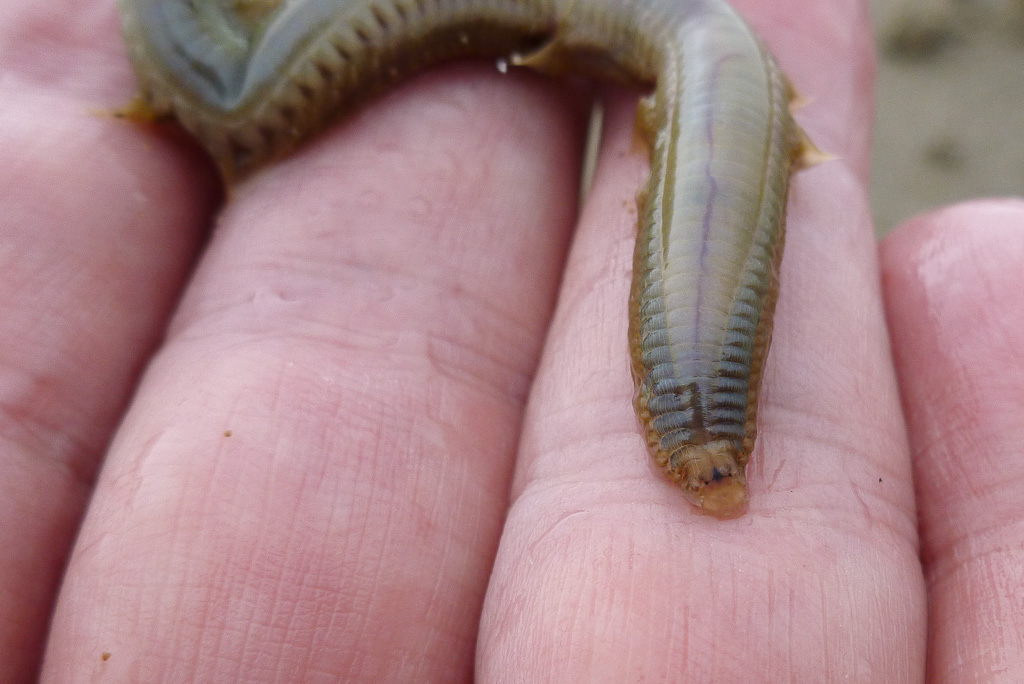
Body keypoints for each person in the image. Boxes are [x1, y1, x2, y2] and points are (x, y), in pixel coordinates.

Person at [2, 0, 1021, 681]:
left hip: (688, 39)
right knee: (238, 89)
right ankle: (696, 413)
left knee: (714, 70)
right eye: (703, 446)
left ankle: (698, 413)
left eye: (703, 451)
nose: (714, 475)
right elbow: (229, 100)